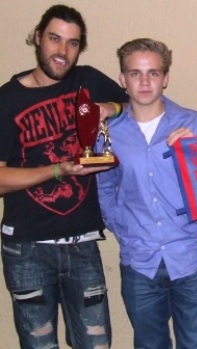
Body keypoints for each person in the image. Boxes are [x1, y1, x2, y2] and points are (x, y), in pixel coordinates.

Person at [0, 5, 129, 349]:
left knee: (96, 344)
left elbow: (127, 100)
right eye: (55, 39)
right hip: (26, 247)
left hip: (82, 244)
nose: (62, 52)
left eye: (72, 43)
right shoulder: (6, 100)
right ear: (38, 38)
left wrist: (110, 109)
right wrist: (59, 169)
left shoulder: (85, 79)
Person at [97, 38, 197, 349]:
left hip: (190, 257)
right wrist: (121, 225)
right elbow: (105, 186)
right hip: (139, 261)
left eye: (153, 73)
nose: (144, 82)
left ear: (165, 78)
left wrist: (192, 154)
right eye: (135, 74)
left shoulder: (192, 123)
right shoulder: (109, 131)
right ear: (123, 80)